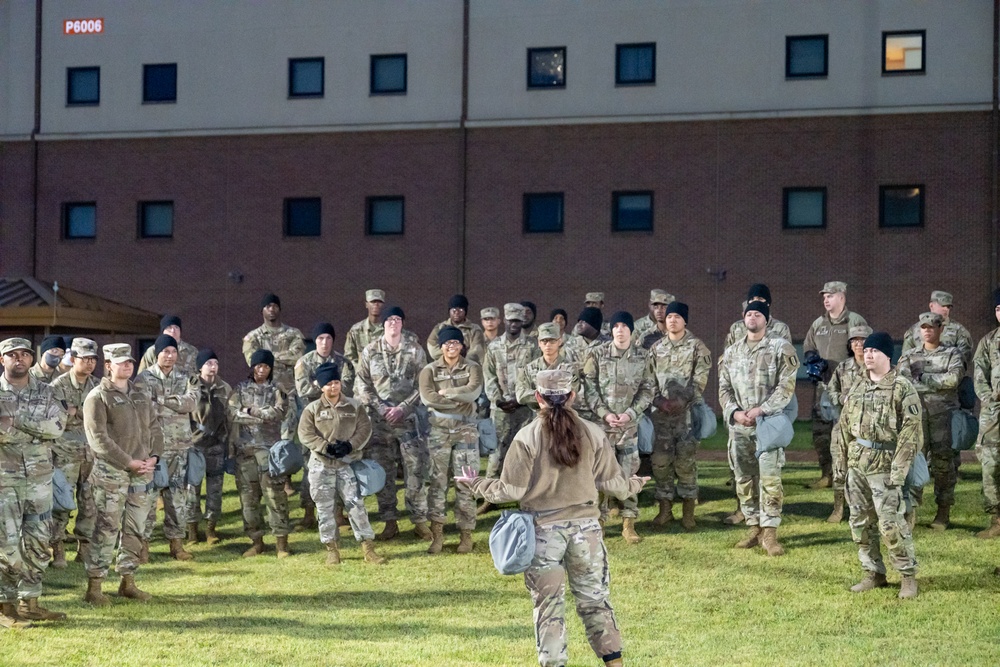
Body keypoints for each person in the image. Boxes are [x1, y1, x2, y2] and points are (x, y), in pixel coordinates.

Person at [456, 369, 647, 667]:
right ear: (572, 396)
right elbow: (615, 486)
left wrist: (476, 483)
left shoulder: (526, 436)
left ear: (537, 398)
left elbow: (510, 490)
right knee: (596, 603)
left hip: (543, 533)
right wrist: (636, 483)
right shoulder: (593, 432)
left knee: (549, 609)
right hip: (587, 532)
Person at [835, 332, 921, 599]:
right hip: (857, 464)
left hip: (885, 466)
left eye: (875, 351)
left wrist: (898, 470)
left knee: (890, 524)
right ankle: (873, 572)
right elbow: (843, 428)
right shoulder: (858, 387)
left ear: (887, 356)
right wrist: (841, 463)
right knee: (859, 523)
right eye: (867, 350)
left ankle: (907, 576)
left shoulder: (902, 387)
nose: (868, 354)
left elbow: (911, 433)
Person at [82, 343, 161, 606]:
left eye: (130, 362)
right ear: (109, 365)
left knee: (136, 528)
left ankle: (127, 581)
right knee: (107, 528)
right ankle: (94, 587)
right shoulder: (97, 397)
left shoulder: (140, 395)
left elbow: (154, 428)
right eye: (121, 362)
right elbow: (98, 439)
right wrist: (128, 462)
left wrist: (154, 457)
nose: (127, 366)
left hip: (142, 473)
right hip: (111, 473)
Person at [718, 302, 799, 556]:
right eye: (749, 314)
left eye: (758, 314)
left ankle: (770, 533)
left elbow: (786, 387)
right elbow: (724, 388)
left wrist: (762, 409)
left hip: (767, 425)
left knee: (770, 479)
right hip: (740, 427)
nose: (752, 317)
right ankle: (753, 528)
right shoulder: (732, 352)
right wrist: (735, 412)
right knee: (743, 478)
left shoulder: (780, 348)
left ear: (767, 319)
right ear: (743, 318)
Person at [0, 338, 68, 627]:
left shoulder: (47, 392)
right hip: (5, 481)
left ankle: (30, 602)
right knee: (7, 545)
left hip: (40, 479)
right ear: (2, 359)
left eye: (25, 354)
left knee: (39, 541)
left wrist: (16, 422)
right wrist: (34, 430)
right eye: (12, 355)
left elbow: (56, 428)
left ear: (31, 359)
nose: (19, 359)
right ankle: (5, 608)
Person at [298, 362, 386, 566]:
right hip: (321, 465)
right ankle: (332, 549)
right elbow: (305, 433)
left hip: (347, 464)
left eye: (336, 382)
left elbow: (365, 429)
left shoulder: (354, 406)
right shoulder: (312, 409)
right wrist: (325, 447)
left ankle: (368, 548)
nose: (333, 387)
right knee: (324, 508)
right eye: (328, 383)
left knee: (356, 506)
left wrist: (350, 446)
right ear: (321, 386)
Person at [355, 306, 430, 540]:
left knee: (415, 471)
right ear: (383, 324)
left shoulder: (415, 350)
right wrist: (381, 408)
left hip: (409, 422)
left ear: (402, 324)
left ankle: (419, 520)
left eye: (398, 319)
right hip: (380, 423)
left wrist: (403, 408)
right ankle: (389, 521)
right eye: (389, 320)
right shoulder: (370, 351)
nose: (393, 323)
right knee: (383, 472)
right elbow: (362, 384)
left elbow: (424, 385)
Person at [582, 311, 654, 544]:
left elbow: (647, 389)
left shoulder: (643, 357)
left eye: (625, 326)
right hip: (602, 427)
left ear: (631, 330)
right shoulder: (597, 354)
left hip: (628, 427)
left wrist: (630, 414)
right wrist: (605, 413)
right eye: (616, 326)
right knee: (600, 474)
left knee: (629, 473)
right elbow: (589, 388)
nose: (620, 330)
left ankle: (629, 523)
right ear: (611, 330)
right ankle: (599, 522)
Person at [418, 326, 484, 554]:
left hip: (466, 430)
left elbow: (473, 393)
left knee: (466, 482)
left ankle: (466, 534)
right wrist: (457, 400)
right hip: (439, 431)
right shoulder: (429, 370)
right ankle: (437, 534)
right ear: (441, 346)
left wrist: (448, 394)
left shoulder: (473, 367)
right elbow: (428, 398)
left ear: (462, 345)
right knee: (437, 483)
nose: (452, 346)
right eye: (448, 343)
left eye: (456, 343)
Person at [646, 302, 711, 530]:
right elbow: (649, 381)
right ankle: (665, 511)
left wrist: (682, 400)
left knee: (685, 462)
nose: (672, 320)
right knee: (660, 463)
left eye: (677, 316)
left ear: (685, 321)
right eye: (670, 316)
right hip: (661, 417)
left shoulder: (697, 347)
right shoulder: (656, 349)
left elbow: (700, 379)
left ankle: (688, 512)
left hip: (686, 417)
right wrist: (659, 401)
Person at [897, 312, 963, 530]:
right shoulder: (909, 355)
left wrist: (924, 378)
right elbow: (902, 382)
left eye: (931, 327)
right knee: (913, 462)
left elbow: (952, 380)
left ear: (940, 329)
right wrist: (936, 383)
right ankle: (911, 511)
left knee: (944, 465)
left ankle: (943, 512)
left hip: (942, 417)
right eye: (923, 327)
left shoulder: (952, 353)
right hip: (916, 418)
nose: (926, 331)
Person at [135, 334, 198, 562]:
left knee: (177, 498)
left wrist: (161, 400)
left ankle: (177, 544)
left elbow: (191, 403)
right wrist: (175, 402)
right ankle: (143, 546)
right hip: (152, 449)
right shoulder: (144, 378)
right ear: (156, 353)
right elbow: (143, 407)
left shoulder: (186, 377)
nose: (170, 356)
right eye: (165, 352)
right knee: (148, 499)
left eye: (173, 352)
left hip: (179, 448)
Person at [803, 281, 868, 489]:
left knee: (849, 432)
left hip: (848, 386)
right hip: (823, 385)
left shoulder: (854, 320)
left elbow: (865, 347)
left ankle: (851, 475)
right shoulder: (818, 324)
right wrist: (813, 358)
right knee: (821, 432)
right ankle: (827, 474)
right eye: (824, 296)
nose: (826, 299)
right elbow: (808, 346)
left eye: (830, 295)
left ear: (842, 297)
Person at [228, 349, 292, 558]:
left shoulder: (277, 389)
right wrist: (260, 417)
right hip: (245, 452)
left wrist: (253, 412)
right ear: (252, 367)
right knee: (248, 500)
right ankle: (256, 541)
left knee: (275, 497)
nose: (262, 369)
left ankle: (281, 543)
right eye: (258, 366)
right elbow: (232, 413)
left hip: (269, 453)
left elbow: (279, 413)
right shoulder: (241, 388)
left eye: (266, 366)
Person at [294, 322, 355, 530]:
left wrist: (320, 385)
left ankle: (338, 513)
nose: (324, 342)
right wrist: (328, 385)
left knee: (337, 465)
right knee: (309, 466)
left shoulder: (343, 362)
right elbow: (302, 390)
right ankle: (309, 512)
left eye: (328, 338)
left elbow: (346, 388)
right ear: (315, 340)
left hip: (337, 423)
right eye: (320, 338)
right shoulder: (304, 362)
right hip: (312, 423)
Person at [48, 338, 101, 568]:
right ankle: (58, 550)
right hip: (64, 453)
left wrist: (74, 412)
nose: (89, 364)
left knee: (89, 504)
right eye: (84, 359)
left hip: (91, 453)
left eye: (93, 359)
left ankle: (84, 549)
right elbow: (54, 418)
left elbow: (101, 418)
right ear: (73, 359)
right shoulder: (57, 386)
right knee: (62, 504)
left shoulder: (99, 386)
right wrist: (79, 414)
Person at [482, 303, 540, 488]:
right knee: (496, 450)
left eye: (517, 321)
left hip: (525, 408)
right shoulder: (494, 346)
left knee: (525, 449)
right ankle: (491, 493)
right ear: (504, 321)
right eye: (510, 320)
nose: (513, 324)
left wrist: (522, 398)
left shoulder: (532, 346)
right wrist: (498, 400)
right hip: (500, 409)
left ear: (522, 321)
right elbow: (489, 375)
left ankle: (524, 490)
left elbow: (536, 374)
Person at [825, 325, 873, 523]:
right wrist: (840, 398)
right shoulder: (843, 368)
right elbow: (831, 391)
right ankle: (838, 508)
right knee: (839, 467)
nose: (859, 344)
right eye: (855, 340)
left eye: (863, 340)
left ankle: (865, 509)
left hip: (868, 428)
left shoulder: (876, 366)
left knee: (867, 469)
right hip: (843, 427)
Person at [186, 349, 231, 546]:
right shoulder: (190, 386)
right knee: (191, 490)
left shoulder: (224, 388)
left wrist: (227, 441)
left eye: (215, 363)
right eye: (208, 363)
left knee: (215, 490)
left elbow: (230, 416)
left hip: (216, 446)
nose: (213, 367)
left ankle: (211, 528)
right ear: (200, 367)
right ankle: (192, 531)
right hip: (195, 446)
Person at [515, 323, 586, 419]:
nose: (548, 345)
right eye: (544, 341)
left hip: (563, 417)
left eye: (552, 341)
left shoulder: (569, 369)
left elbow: (571, 393)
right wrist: (553, 395)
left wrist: (540, 395)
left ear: (559, 341)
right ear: (539, 343)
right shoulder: (529, 368)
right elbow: (520, 395)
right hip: (537, 418)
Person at [974, 289, 1000, 539]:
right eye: (998, 309)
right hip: (993, 415)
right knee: (990, 465)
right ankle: (996, 519)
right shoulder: (989, 341)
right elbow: (979, 374)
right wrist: (989, 397)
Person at [902, 291, 974, 373]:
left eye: (948, 307)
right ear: (931, 306)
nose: (946, 309)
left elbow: (963, 361)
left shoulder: (959, 331)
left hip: (947, 381)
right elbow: (905, 359)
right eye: (942, 305)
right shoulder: (914, 330)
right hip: (919, 380)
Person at [344, 289, 419, 366]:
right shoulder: (356, 330)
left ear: (384, 305)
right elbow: (349, 358)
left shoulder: (393, 329)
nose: (376, 304)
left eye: (379, 302)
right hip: (363, 375)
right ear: (366, 304)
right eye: (373, 302)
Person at [723, 284, 792, 349]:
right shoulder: (737, 327)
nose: (755, 302)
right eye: (752, 299)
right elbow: (727, 355)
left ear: (768, 303)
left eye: (760, 299)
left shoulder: (780, 328)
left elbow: (786, 353)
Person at [426, 294, 487, 364]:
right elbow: (432, 348)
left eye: (460, 310)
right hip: (443, 367)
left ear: (465, 311)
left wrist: (461, 362)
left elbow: (477, 351)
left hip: (467, 367)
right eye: (454, 310)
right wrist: (450, 357)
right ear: (449, 311)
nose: (457, 313)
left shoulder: (474, 329)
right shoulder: (440, 328)